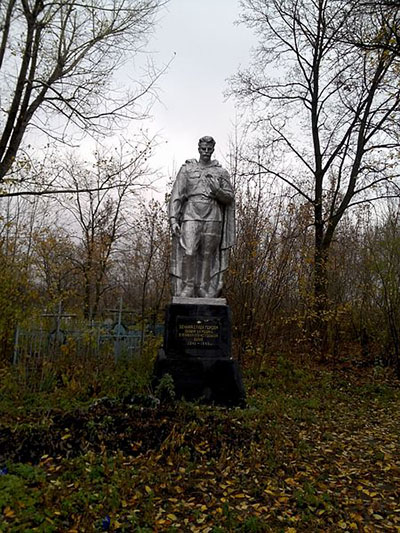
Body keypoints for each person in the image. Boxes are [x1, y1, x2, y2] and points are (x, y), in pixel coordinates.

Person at [169, 136, 235, 298]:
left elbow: (229, 197)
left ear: (213, 150)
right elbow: (177, 195)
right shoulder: (187, 169)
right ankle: (188, 286)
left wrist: (217, 191)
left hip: (213, 215)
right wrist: (173, 219)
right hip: (191, 213)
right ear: (199, 149)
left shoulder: (221, 172)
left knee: (207, 255)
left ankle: (203, 288)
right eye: (203, 149)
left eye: (209, 149)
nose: (206, 152)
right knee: (189, 251)